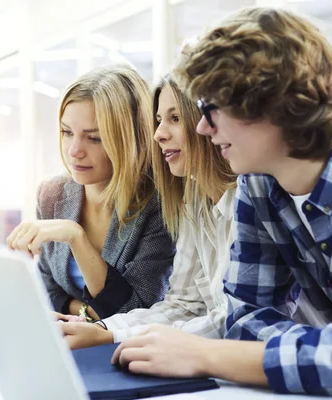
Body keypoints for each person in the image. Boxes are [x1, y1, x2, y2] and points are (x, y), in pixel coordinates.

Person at [113, 7, 332, 397]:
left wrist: (205, 355)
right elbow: (245, 321)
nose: (202, 128)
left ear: (272, 105)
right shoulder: (259, 186)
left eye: (211, 108)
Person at [60, 74, 237, 348]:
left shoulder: (247, 202)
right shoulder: (195, 199)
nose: (158, 134)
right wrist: (102, 328)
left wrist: (113, 334)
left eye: (175, 118)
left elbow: (234, 321)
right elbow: (183, 304)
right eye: (158, 121)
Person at [6, 65, 175, 321]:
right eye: (67, 132)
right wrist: (89, 313)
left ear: (130, 139)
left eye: (94, 138)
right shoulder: (52, 194)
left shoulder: (159, 205)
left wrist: (76, 238)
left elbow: (136, 309)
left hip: (127, 350)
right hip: (69, 340)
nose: (74, 150)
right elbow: (48, 288)